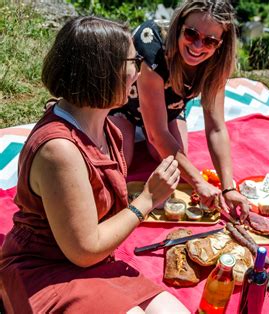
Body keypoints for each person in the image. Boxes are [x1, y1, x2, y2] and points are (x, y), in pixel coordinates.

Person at [0, 16, 189, 314]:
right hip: (44, 269)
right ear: (103, 70)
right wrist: (149, 199)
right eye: (133, 60)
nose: (138, 71)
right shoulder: (59, 150)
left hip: (94, 261)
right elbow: (84, 251)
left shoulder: (107, 128)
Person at [111, 0, 250, 222]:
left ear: (220, 44)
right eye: (191, 34)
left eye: (210, 41)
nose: (197, 46)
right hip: (122, 105)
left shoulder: (217, 63)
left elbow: (215, 127)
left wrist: (228, 188)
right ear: (179, 25)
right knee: (119, 166)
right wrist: (199, 183)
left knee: (171, 163)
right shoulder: (152, 45)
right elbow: (157, 134)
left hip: (170, 109)